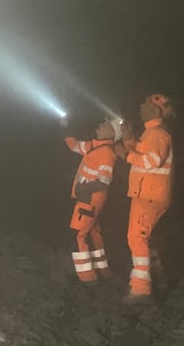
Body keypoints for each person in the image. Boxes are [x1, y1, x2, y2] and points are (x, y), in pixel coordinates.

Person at [117, 94, 175, 303]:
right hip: (147, 194)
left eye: (147, 104)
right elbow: (140, 151)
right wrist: (128, 139)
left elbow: (150, 161)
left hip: (150, 195)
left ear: (157, 111)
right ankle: (160, 282)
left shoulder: (158, 134)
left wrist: (125, 154)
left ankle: (141, 290)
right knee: (146, 239)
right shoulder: (150, 132)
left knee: (137, 238)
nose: (142, 106)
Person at [63, 119, 122, 284]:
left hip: (89, 199)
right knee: (93, 234)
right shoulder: (94, 146)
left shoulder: (106, 152)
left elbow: (104, 180)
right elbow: (73, 145)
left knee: (78, 234)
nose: (100, 125)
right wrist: (66, 128)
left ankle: (87, 278)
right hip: (90, 199)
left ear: (112, 134)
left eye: (105, 126)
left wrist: (84, 189)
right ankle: (103, 271)